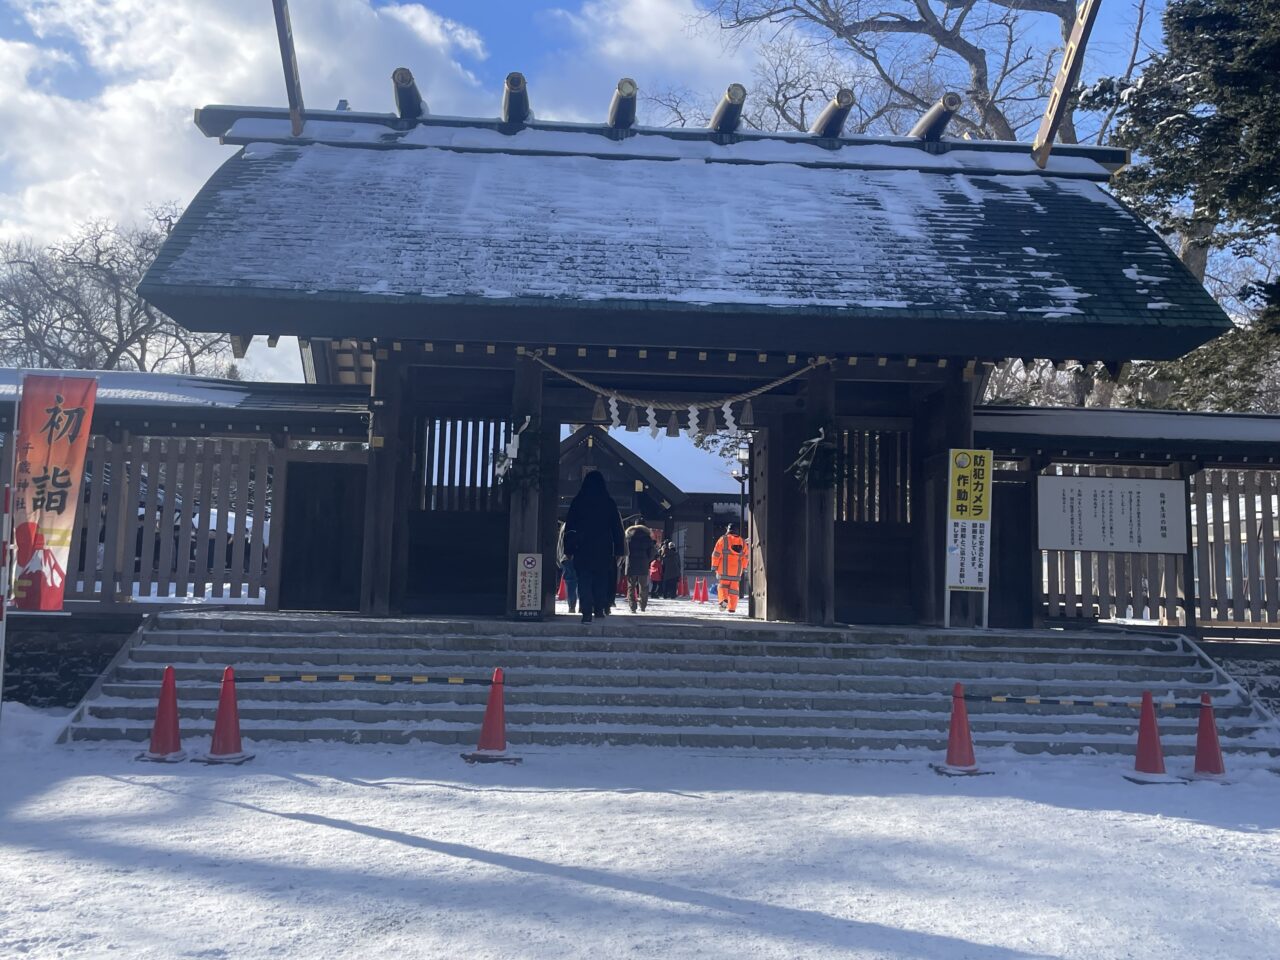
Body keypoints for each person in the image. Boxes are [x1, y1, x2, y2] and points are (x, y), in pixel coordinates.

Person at [562, 470, 625, 624]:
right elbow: (617, 527)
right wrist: (619, 549)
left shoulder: (578, 501)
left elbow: (569, 526)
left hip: (582, 546)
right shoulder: (608, 502)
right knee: (601, 578)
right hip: (603, 547)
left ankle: (586, 611)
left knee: (584, 578)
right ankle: (599, 609)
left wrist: (568, 549)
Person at [710, 524, 749, 612]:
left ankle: (723, 600)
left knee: (723, 586)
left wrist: (714, 566)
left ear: (728, 530)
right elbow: (745, 557)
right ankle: (732, 608)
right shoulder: (742, 542)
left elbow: (716, 554)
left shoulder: (723, 540)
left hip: (724, 571)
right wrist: (744, 567)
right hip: (736, 572)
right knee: (734, 590)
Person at [624, 519, 656, 612]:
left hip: (631, 564)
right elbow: (652, 552)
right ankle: (643, 605)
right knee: (643, 586)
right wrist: (647, 560)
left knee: (631, 586)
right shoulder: (647, 537)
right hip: (643, 564)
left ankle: (632, 606)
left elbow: (625, 551)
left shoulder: (628, 536)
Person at [556, 521, 579, 614]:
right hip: (580, 557)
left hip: (566, 558)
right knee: (584, 581)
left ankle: (571, 606)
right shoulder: (585, 522)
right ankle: (583, 606)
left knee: (571, 583)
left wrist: (559, 558)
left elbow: (560, 544)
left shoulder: (565, 525)